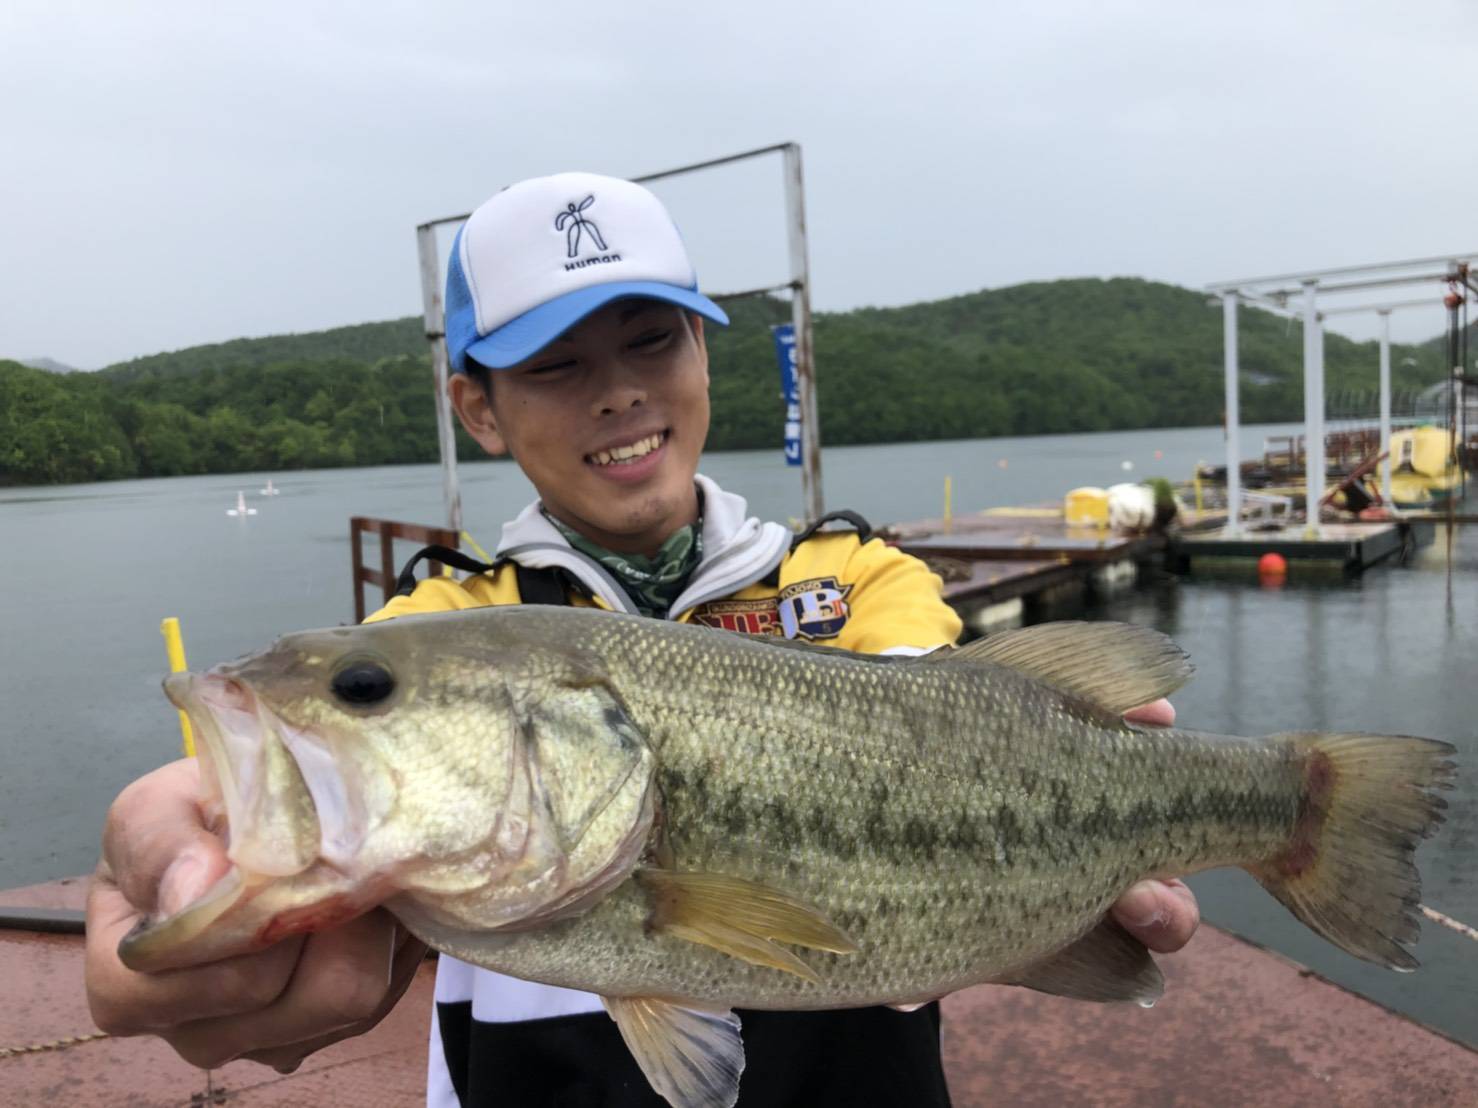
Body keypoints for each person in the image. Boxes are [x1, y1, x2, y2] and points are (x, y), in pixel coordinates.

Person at [85, 171, 1200, 1106]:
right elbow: (283, 790)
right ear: (478, 407)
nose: (617, 394)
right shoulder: (439, 630)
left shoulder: (863, 579)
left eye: (650, 341)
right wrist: (187, 857)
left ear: (703, 356)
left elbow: (920, 718)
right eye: (555, 366)